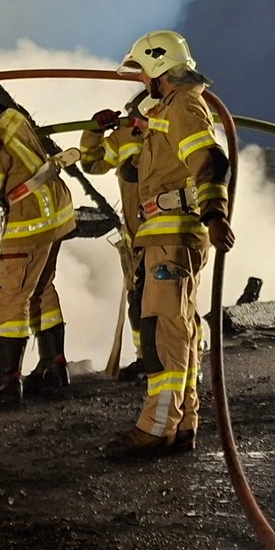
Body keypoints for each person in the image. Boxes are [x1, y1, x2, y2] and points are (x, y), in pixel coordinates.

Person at [103, 30, 234, 460]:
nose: (142, 81)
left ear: (159, 68)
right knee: (179, 329)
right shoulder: (170, 109)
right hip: (165, 233)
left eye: (143, 71)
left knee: (162, 331)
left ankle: (155, 428)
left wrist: (215, 215)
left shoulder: (183, 105)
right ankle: (182, 423)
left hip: (173, 233)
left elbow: (208, 160)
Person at [0, 100, 77, 404]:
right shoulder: (4, 114)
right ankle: (54, 366)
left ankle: (7, 380)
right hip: (56, 205)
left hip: (31, 215)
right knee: (40, 288)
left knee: (10, 295)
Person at [81, 93, 152, 379]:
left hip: (171, 230)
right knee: (138, 300)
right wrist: (93, 130)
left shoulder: (176, 129)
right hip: (136, 238)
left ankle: (186, 359)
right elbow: (93, 163)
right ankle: (144, 358)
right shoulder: (125, 134)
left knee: (173, 301)